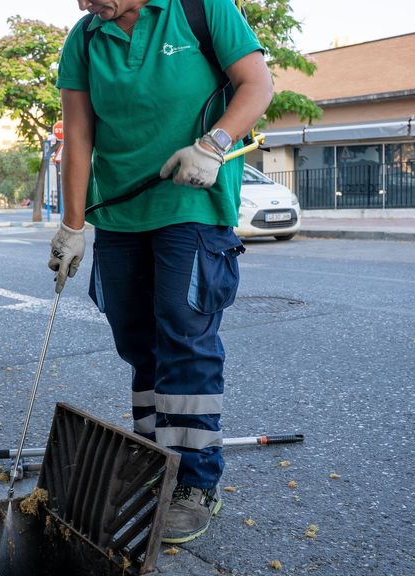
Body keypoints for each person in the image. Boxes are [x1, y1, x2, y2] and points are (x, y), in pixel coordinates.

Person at [48, 0, 273, 544]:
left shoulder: (201, 10)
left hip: (191, 204)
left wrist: (213, 145)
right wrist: (73, 226)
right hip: (120, 213)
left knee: (183, 332)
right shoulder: (85, 37)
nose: (82, 3)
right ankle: (156, 461)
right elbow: (78, 135)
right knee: (135, 339)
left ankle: (194, 481)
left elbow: (257, 85)